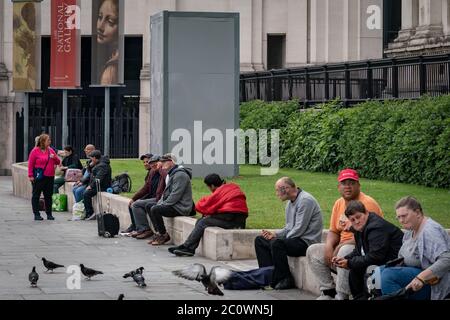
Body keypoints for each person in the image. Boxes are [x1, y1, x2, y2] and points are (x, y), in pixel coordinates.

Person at [306, 168, 383, 300]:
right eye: (344, 183)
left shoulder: (367, 203)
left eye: (351, 183)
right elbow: (334, 231)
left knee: (345, 251)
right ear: (338, 187)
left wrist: (338, 247)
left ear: (358, 185)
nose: (347, 187)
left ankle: (342, 295)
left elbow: (366, 236)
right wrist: (329, 246)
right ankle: (328, 291)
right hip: (342, 245)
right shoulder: (339, 203)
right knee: (313, 250)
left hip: (364, 249)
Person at [254, 177, 323, 290]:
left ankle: (285, 279)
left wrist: (278, 239)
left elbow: (299, 230)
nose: (277, 194)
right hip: (295, 239)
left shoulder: (305, 200)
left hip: (307, 243)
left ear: (286, 188)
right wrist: (274, 234)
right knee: (260, 240)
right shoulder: (290, 203)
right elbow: (288, 228)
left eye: (277, 190)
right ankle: (268, 276)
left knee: (277, 244)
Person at [379, 196, 450, 300]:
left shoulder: (430, 231)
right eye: (398, 217)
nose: (401, 220)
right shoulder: (411, 230)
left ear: (417, 212)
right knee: (378, 271)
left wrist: (421, 278)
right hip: (415, 274)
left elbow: (446, 259)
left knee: (388, 276)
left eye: (404, 216)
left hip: (433, 284)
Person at [332, 200, 403, 299]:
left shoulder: (376, 227)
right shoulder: (359, 227)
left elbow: (376, 257)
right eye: (352, 220)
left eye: (358, 217)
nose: (356, 221)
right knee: (355, 269)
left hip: (395, 262)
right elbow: (359, 251)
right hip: (381, 260)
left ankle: (371, 297)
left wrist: (349, 263)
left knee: (370, 269)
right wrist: (344, 259)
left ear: (366, 212)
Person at [168, 174, 249, 257]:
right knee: (201, 220)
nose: (210, 189)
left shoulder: (219, 192)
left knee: (203, 222)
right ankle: (188, 247)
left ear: (212, 186)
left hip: (233, 221)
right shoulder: (231, 187)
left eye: (208, 187)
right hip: (235, 218)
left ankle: (188, 248)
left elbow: (204, 206)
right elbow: (218, 207)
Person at [148, 153, 195, 246]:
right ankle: (158, 233)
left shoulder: (180, 175)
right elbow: (165, 193)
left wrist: (161, 205)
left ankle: (163, 235)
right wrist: (160, 203)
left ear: (171, 162)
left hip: (181, 207)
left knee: (155, 209)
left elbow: (175, 195)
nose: (161, 163)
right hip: (174, 205)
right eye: (161, 161)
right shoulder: (172, 174)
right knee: (150, 206)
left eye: (164, 161)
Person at [128, 155, 167, 240]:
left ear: (160, 163)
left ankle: (145, 229)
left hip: (161, 199)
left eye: (154, 163)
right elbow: (146, 187)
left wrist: (160, 169)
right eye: (151, 164)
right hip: (154, 197)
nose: (152, 165)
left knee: (137, 205)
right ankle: (139, 228)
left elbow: (166, 178)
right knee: (134, 203)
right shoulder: (152, 172)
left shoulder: (164, 171)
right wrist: (134, 198)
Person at [28, 134, 61, 220]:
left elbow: (58, 162)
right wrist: (30, 175)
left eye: (50, 140)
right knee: (36, 195)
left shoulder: (51, 150)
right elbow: (30, 165)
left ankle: (49, 214)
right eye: (48, 140)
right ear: (43, 141)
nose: (50, 142)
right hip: (39, 177)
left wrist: (54, 157)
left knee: (48, 196)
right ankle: (36, 214)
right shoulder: (35, 151)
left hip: (50, 176)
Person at [82, 150, 112, 220]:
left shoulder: (103, 166)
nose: (91, 160)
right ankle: (86, 212)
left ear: (95, 158)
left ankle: (90, 213)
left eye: (91, 158)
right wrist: (90, 166)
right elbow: (90, 174)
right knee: (84, 191)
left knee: (86, 194)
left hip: (102, 186)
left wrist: (91, 186)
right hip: (96, 184)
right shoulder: (98, 163)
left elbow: (98, 178)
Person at [96, 0, 119, 85]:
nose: (100, 27)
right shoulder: (110, 57)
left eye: (110, 22)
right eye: (100, 17)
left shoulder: (111, 70)